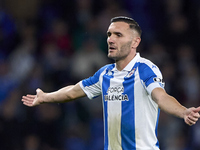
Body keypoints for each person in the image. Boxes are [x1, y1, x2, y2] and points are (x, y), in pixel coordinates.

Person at [22, 16, 200, 150]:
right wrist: (45, 97)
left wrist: (183, 111)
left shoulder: (145, 69)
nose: (110, 39)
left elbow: (161, 97)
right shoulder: (105, 74)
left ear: (135, 42)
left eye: (118, 35)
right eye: (109, 34)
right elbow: (72, 92)